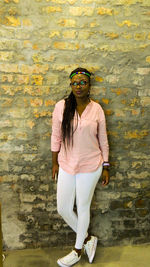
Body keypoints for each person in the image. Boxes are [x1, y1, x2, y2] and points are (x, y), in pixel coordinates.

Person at [51, 67, 110, 267]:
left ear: (89, 85)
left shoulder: (97, 109)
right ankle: (87, 239)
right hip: (67, 163)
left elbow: (103, 139)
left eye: (83, 82)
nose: (78, 86)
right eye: (75, 83)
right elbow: (56, 136)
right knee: (63, 208)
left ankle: (77, 251)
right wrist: (54, 162)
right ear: (70, 85)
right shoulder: (61, 106)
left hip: (91, 165)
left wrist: (106, 165)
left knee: (83, 207)